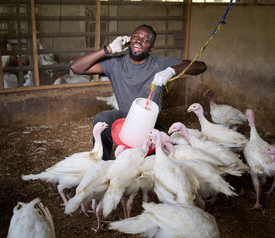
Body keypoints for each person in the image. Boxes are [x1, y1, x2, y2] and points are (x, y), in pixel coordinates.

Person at [70, 24, 207, 160]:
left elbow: (201, 66)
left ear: (151, 49)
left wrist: (171, 70)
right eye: (136, 37)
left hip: (151, 123)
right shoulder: (114, 64)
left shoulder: (159, 64)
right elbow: (76, 67)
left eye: (145, 40)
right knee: (102, 119)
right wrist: (109, 49)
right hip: (124, 117)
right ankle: (104, 163)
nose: (139, 41)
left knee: (156, 160)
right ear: (129, 41)